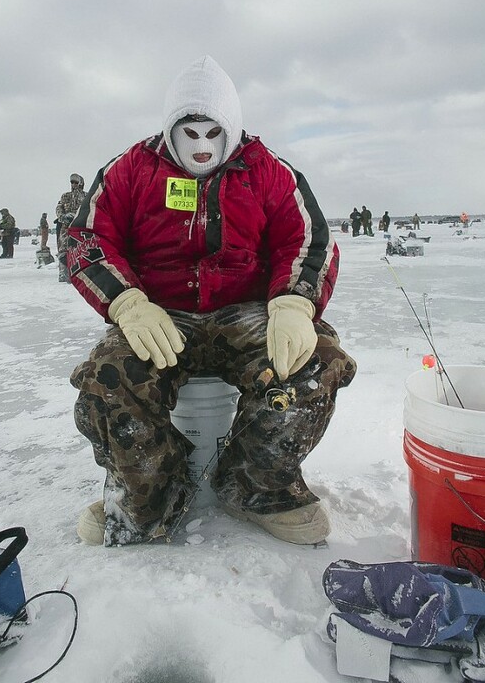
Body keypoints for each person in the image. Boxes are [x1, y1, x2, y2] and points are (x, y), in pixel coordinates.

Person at [66, 55, 357, 549]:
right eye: (190, 133)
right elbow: (86, 241)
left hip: (243, 312)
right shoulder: (129, 170)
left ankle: (256, 486)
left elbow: (309, 239)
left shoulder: (268, 172)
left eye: (212, 133)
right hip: (160, 314)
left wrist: (293, 304)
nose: (202, 147)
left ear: (232, 129)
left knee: (314, 365)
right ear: (169, 130)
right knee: (110, 381)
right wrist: (128, 304)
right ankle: (145, 496)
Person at [55, 174, 86, 282]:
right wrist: (63, 217)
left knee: (80, 250)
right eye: (71, 182)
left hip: (80, 227)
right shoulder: (65, 196)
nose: (73, 185)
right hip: (66, 227)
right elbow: (59, 208)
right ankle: (64, 274)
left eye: (75, 182)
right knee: (63, 250)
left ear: (81, 183)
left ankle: (80, 274)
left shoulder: (86, 196)